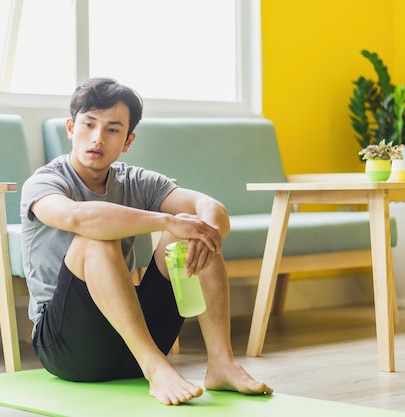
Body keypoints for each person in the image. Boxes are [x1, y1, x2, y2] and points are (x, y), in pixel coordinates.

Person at [20, 77, 273, 405]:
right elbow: (77, 218)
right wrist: (168, 220)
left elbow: (214, 210)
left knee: (197, 230)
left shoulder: (135, 180)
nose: (97, 137)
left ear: (127, 141)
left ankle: (222, 363)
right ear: (71, 127)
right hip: (69, 349)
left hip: (131, 343)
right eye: (88, 124)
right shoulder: (45, 182)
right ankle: (156, 369)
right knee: (98, 238)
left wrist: (198, 231)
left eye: (112, 129)